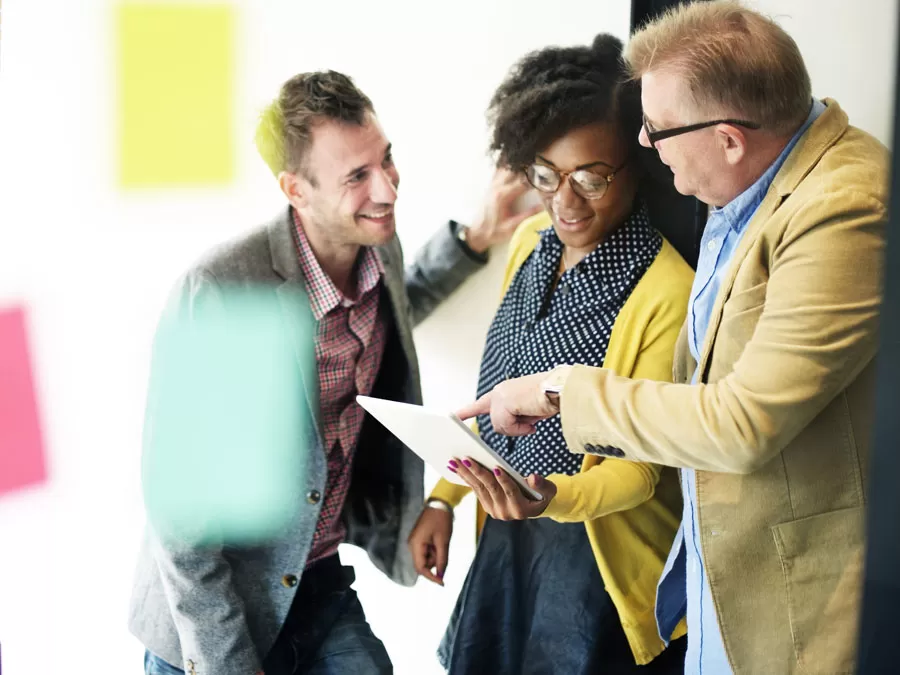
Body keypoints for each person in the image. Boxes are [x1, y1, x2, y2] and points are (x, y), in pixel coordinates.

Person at [459, 3, 889, 674]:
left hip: (785, 596)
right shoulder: (743, 186)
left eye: (656, 131)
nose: (648, 146)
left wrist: (560, 390)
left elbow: (743, 421)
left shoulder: (845, 206)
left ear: (727, 138)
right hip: (710, 572)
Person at [129, 70, 536, 675]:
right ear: (296, 188)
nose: (388, 190)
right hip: (218, 609)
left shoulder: (378, 247)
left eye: (387, 160)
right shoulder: (221, 291)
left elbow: (393, 307)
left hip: (318, 579)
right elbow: (179, 511)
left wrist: (474, 238)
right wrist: (226, 663)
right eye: (357, 177)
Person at [407, 35, 692, 674]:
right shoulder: (531, 240)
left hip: (594, 566)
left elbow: (640, 474)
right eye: (545, 175)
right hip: (507, 539)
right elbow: (494, 394)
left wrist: (549, 498)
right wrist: (443, 500)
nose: (564, 201)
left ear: (635, 165)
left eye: (591, 177)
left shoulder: (665, 291)